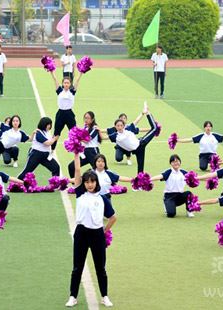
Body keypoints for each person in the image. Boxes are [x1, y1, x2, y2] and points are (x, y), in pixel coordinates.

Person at [65, 153, 117, 308]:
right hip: (81, 233)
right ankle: (73, 296)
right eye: (87, 182)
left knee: (100, 267)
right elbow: (77, 170)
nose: (89, 184)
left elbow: (113, 217)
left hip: (97, 234)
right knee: (77, 267)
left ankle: (104, 296)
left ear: (96, 182)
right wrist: (76, 155)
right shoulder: (80, 193)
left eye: (92, 181)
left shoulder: (103, 199)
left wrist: (104, 231)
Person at [106, 102, 158, 173]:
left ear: (124, 126)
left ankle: (147, 112)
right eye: (118, 126)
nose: (120, 127)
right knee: (140, 170)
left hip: (141, 143)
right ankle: (139, 183)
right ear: (115, 126)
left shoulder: (128, 129)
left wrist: (143, 113)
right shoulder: (115, 136)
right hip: (137, 151)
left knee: (154, 128)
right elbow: (103, 137)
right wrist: (97, 131)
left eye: (121, 125)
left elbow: (136, 121)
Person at [0, 101, 33, 167]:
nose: (15, 122)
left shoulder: (21, 134)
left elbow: (30, 139)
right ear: (11, 123)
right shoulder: (7, 128)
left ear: (19, 122)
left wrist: (33, 133)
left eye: (17, 121)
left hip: (1, 149)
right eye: (13, 121)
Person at [49, 70, 83, 150]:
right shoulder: (59, 91)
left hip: (69, 114)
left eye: (68, 83)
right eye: (65, 83)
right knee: (56, 134)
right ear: (63, 84)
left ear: (70, 84)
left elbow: (77, 80)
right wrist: (52, 72)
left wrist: (81, 73)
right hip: (60, 114)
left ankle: (78, 151)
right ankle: (52, 151)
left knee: (74, 133)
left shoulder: (72, 91)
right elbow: (55, 80)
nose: (66, 84)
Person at [67, 111, 103, 178]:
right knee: (71, 167)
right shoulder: (85, 127)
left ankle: (110, 185)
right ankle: (76, 185)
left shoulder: (94, 128)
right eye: (85, 118)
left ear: (92, 119)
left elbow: (87, 139)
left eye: (88, 118)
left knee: (99, 170)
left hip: (92, 151)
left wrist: (76, 137)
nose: (86, 120)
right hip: (85, 152)